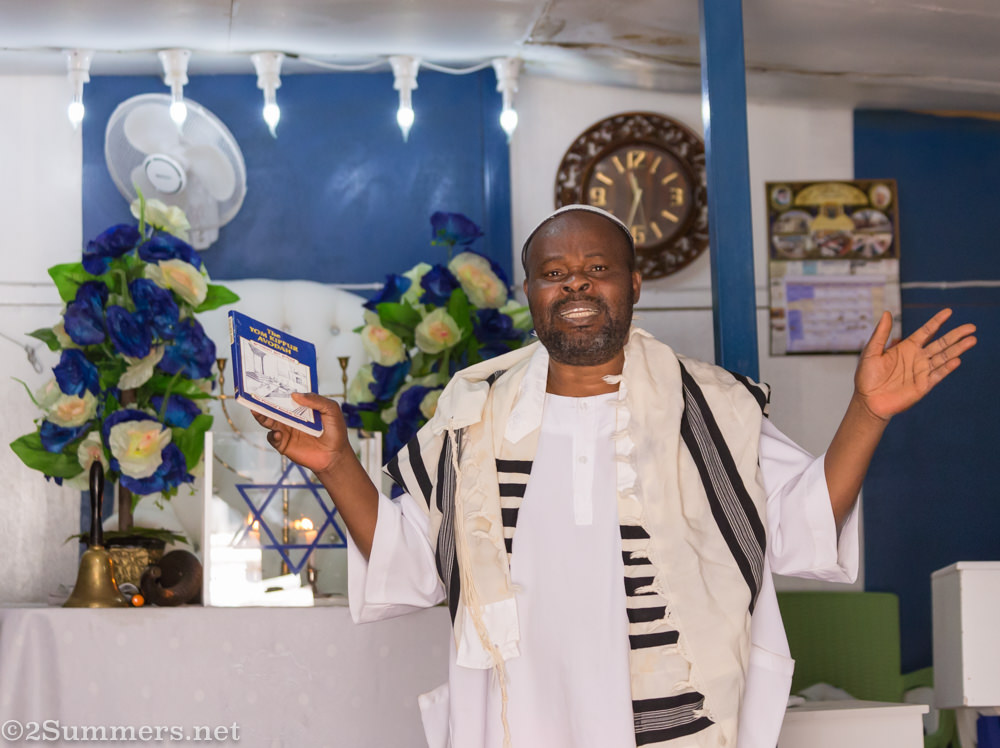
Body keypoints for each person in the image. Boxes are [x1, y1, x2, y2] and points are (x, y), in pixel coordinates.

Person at [252, 205, 977, 748]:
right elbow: (409, 563)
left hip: (674, 725)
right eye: (554, 273)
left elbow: (801, 528)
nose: (576, 283)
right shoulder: (471, 415)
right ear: (530, 292)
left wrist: (866, 413)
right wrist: (338, 465)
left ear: (633, 283)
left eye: (596, 269)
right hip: (517, 723)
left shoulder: (712, 407)